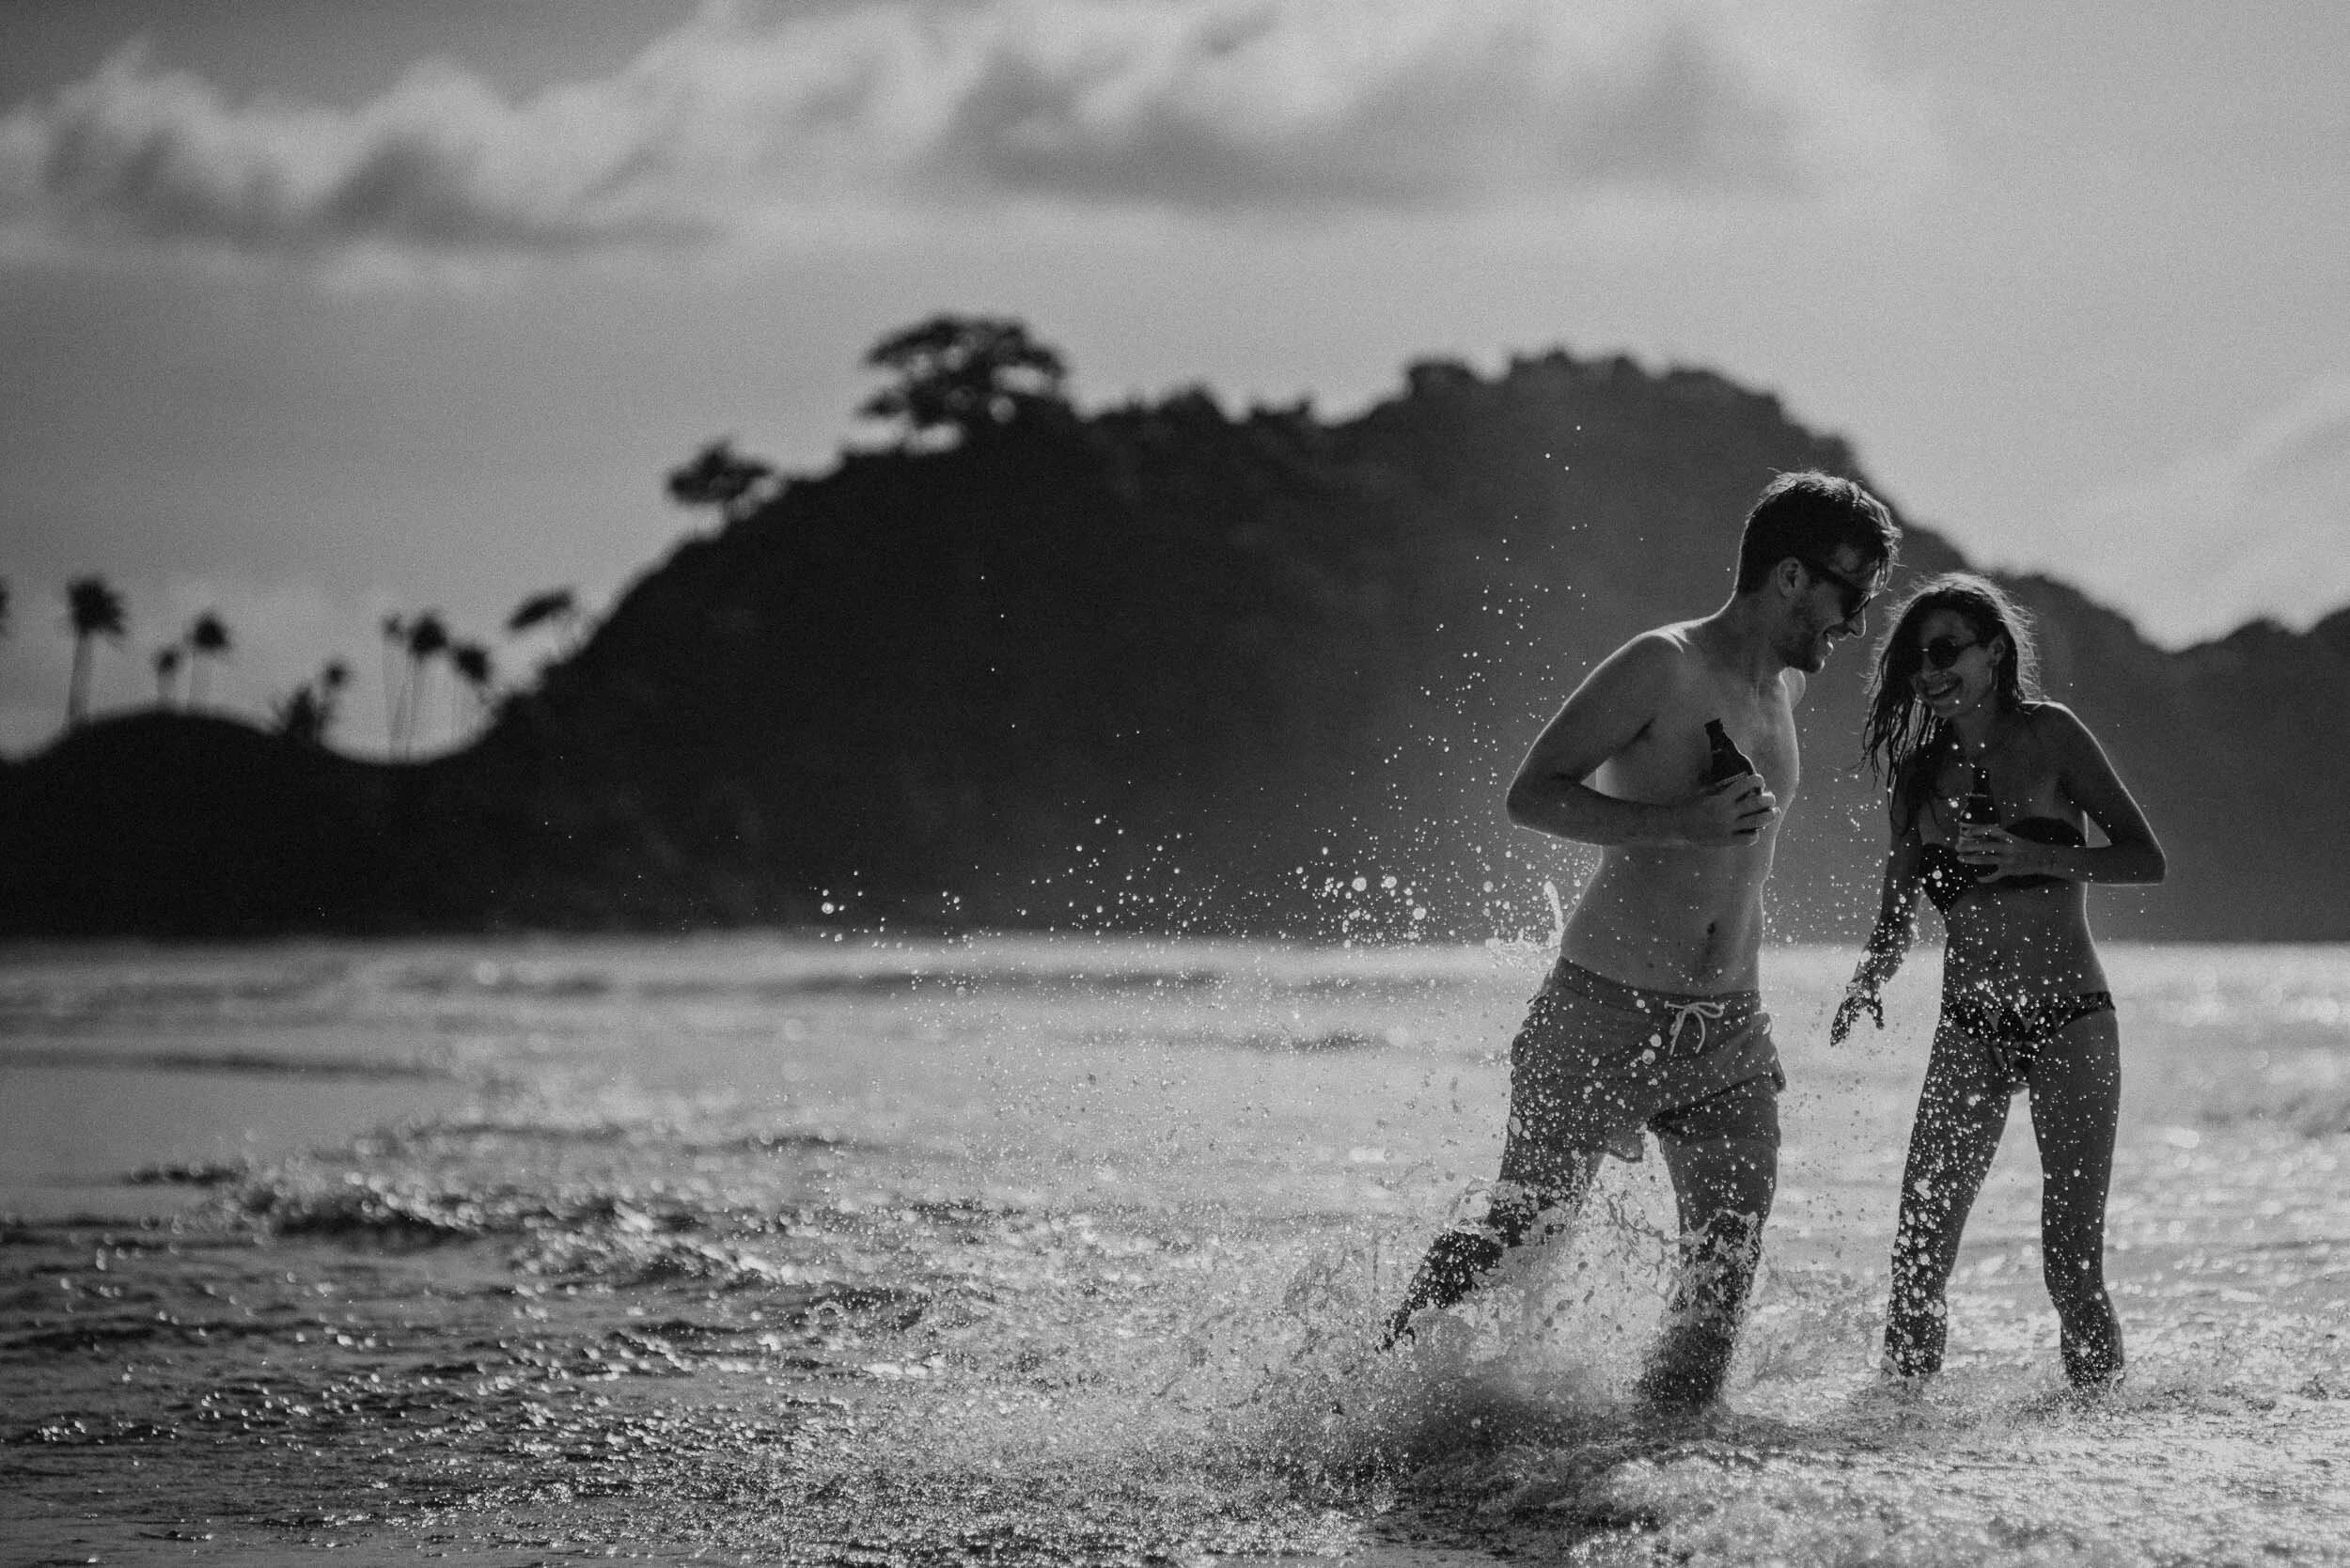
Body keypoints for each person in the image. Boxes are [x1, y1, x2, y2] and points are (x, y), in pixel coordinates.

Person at [1381, 471, 1900, 1408]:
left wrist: (1748, 999)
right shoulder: (1662, 664)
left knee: (1720, 1278)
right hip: (1601, 1010)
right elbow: (1531, 793)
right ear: (1789, 575)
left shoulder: (1780, 698)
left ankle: (1664, 1470)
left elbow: (1742, 874)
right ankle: (1370, 1377)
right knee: (1523, 1233)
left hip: (1727, 1032)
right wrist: (1678, 823)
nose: (1854, 622)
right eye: (1848, 596)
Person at [1831, 573, 2165, 1390]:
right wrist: (1870, 976)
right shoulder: (1916, 775)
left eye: (1945, 651)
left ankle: (2099, 1444)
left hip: (2071, 1021)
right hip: (1970, 1027)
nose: (1929, 672)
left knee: (2070, 1267)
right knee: (1917, 1259)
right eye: (1915, 660)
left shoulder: (2051, 737)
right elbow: (1895, 916)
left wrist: (2033, 854)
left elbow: (2145, 859)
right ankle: (1897, 1441)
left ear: (1996, 653)